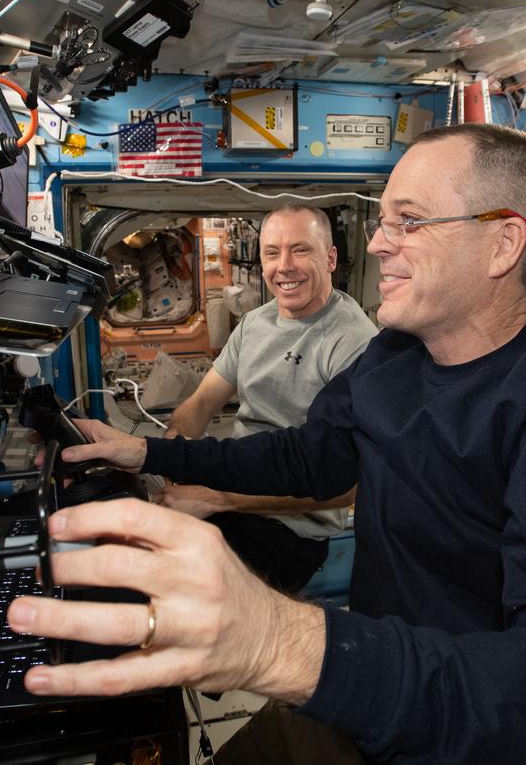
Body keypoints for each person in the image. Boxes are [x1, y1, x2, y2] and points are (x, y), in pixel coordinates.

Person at [9, 124, 526, 763]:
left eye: (409, 221)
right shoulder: (396, 356)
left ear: (503, 244)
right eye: (383, 219)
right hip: (377, 695)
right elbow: (304, 456)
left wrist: (283, 641)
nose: (382, 243)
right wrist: (152, 454)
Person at [157, 205, 376, 593]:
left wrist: (217, 499)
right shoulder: (256, 323)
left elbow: (347, 486)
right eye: (272, 253)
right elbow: (203, 402)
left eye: (301, 250)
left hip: (286, 530)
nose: (284, 266)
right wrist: (173, 451)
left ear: (330, 258)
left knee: (180, 595)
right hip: (234, 489)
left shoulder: (353, 342)